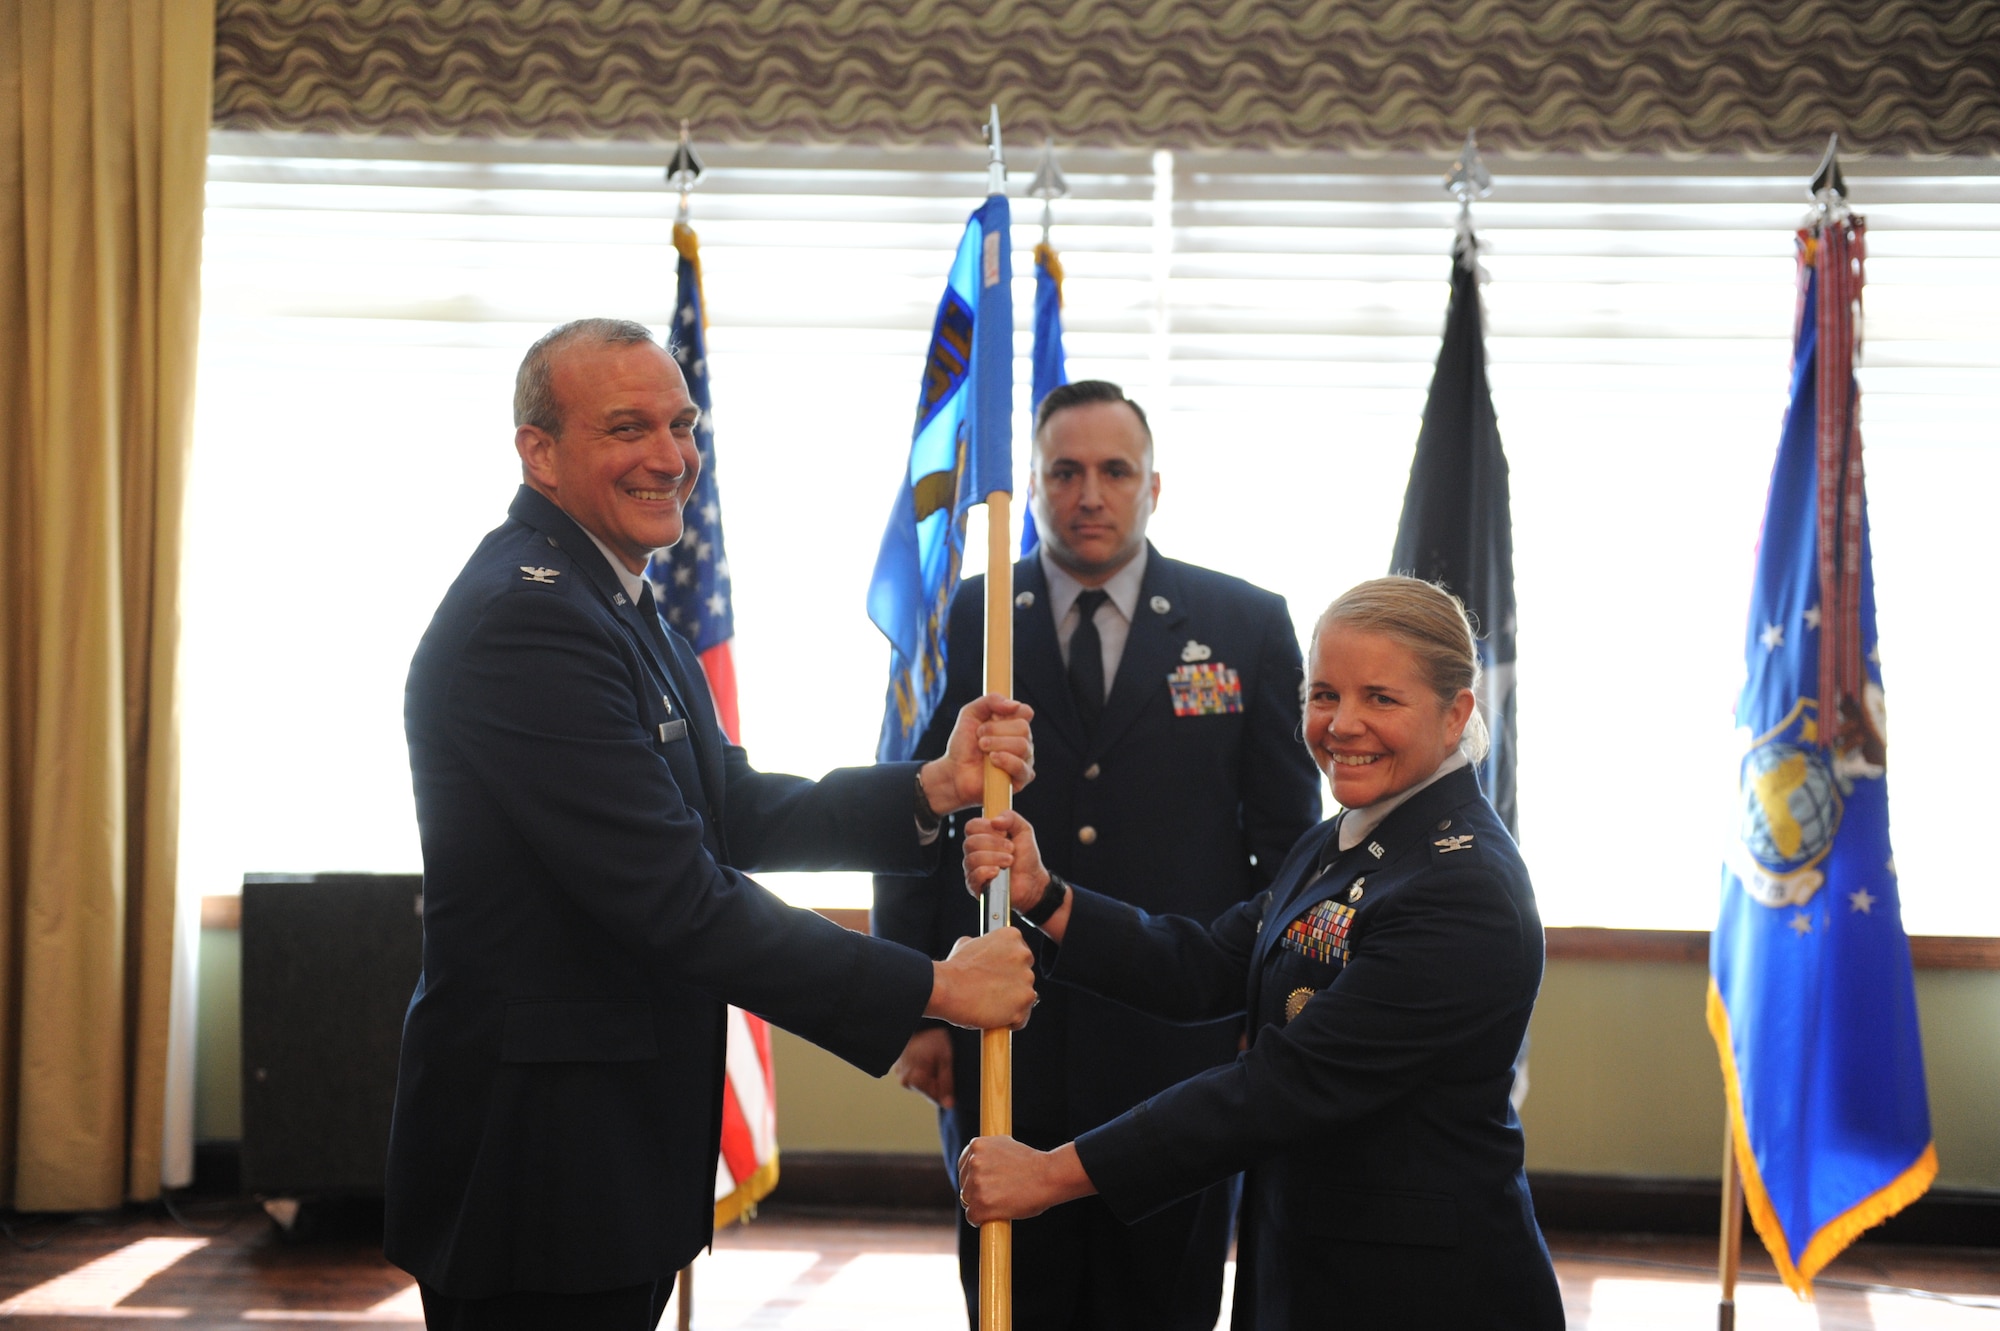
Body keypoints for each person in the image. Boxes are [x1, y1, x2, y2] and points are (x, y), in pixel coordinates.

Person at [387, 318, 1040, 1331]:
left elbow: (724, 806)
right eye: (625, 427)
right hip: (541, 1160)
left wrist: (932, 787)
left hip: (607, 1146)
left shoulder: (615, 597)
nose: (669, 456)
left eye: (681, 424)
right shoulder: (530, 618)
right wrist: (936, 985)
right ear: (538, 450)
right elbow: (676, 896)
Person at [959, 576, 1565, 1330]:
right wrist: (1045, 896)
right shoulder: (1338, 840)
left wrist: (1051, 1173)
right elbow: (1204, 963)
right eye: (1323, 694)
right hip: (1305, 1262)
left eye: (1381, 698)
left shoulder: (1462, 886)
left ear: (1456, 713)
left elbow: (1277, 1087)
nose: (1342, 724)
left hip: (1417, 1288)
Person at [873, 380, 1322, 1329]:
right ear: (1031, 486)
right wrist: (911, 1007)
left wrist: (1264, 1001)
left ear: (1155, 487)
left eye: (1115, 471)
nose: (1090, 493)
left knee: (1162, 1297)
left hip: (1176, 1044)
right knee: (1011, 1297)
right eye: (1064, 472)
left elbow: (1285, 846)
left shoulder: (1243, 624)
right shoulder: (970, 614)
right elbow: (908, 803)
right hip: (1002, 1033)